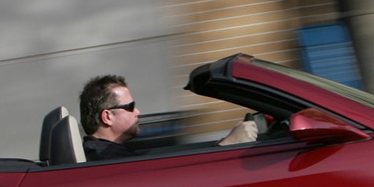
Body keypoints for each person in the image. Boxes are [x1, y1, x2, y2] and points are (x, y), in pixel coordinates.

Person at [79, 74, 258, 161]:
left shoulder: (106, 152)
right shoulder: (109, 159)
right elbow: (171, 179)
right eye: (130, 107)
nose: (138, 111)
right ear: (107, 116)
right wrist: (228, 145)